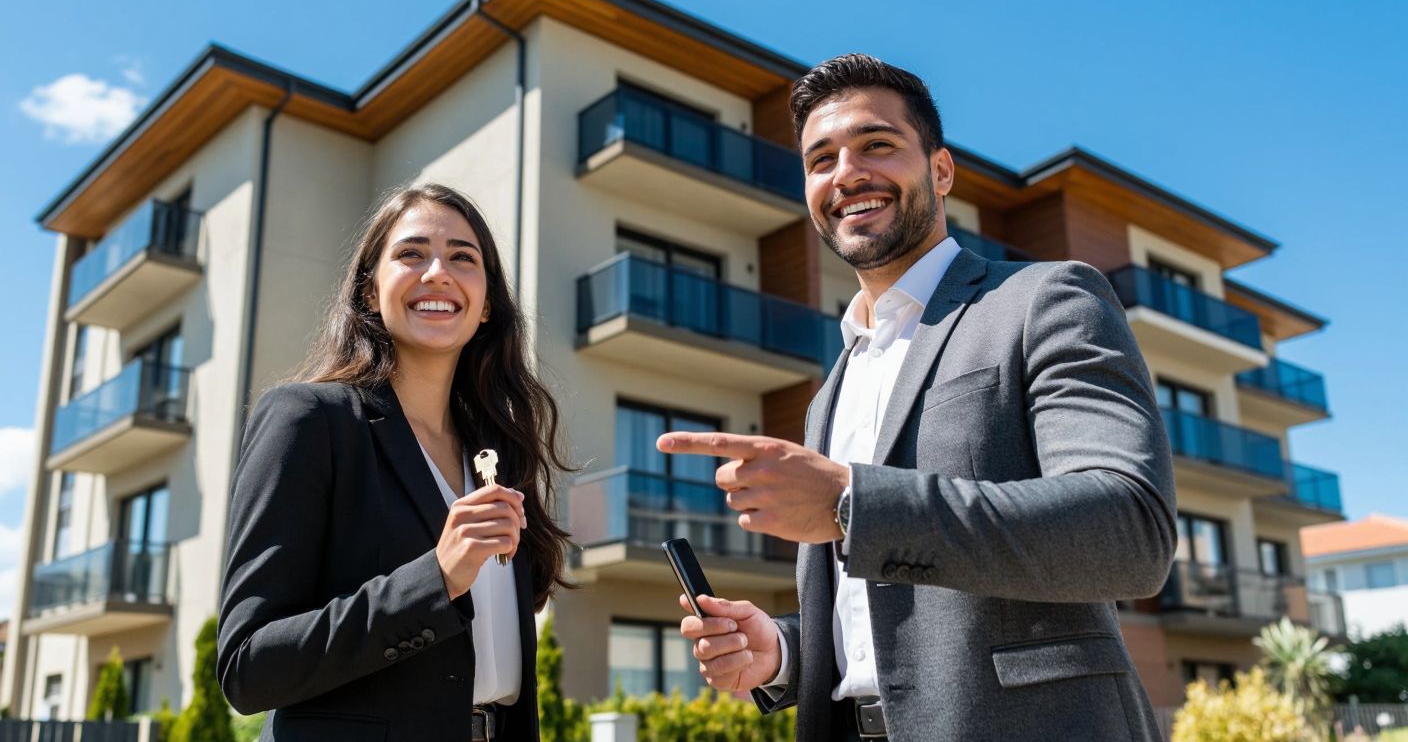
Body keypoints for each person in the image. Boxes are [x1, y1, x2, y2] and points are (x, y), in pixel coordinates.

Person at [664, 55, 1176, 741]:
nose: (846, 174)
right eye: (821, 160)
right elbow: (894, 618)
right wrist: (784, 650)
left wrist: (850, 503)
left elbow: (1129, 532)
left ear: (940, 170)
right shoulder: (832, 389)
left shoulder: (1045, 300)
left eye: (876, 145)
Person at [218, 183, 572, 741]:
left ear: (485, 306)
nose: (438, 272)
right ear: (368, 290)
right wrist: (437, 578)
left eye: (463, 257)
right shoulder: (308, 419)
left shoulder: (498, 453)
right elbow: (248, 666)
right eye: (411, 254)